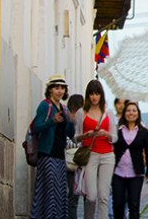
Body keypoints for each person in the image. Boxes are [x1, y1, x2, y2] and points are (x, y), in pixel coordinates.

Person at [29, 74, 74, 219]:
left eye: (62, 88)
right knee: (49, 191)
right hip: (47, 155)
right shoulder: (45, 105)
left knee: (60, 192)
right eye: (56, 87)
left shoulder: (64, 108)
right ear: (50, 90)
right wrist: (52, 121)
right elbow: (36, 128)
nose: (59, 91)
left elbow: (69, 133)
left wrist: (72, 121)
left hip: (60, 157)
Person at [76, 80, 117, 219]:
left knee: (104, 196)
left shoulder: (108, 112)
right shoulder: (81, 113)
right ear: (88, 95)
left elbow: (115, 137)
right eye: (92, 94)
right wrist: (86, 135)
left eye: (97, 94)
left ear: (101, 95)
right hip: (90, 153)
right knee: (91, 196)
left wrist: (106, 134)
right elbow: (75, 137)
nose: (94, 97)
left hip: (107, 155)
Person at [112, 101, 148, 219]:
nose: (131, 113)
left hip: (136, 173)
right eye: (128, 111)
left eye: (134, 111)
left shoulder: (143, 131)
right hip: (118, 173)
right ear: (124, 113)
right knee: (118, 205)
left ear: (138, 114)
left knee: (134, 205)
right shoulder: (118, 130)